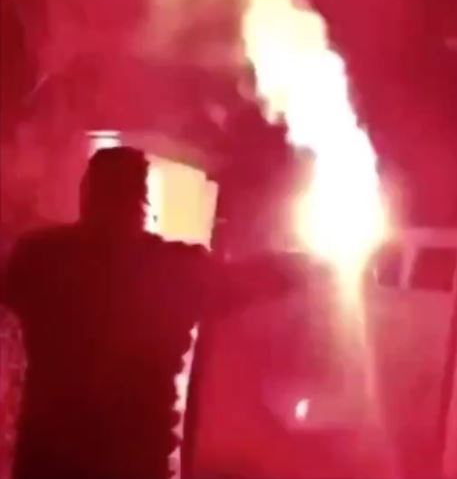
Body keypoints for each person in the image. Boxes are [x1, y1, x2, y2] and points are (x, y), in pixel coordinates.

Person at [1, 146, 321, 479]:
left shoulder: (40, 257)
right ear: (143, 201)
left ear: (87, 194)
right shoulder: (172, 268)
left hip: (47, 464)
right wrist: (309, 267)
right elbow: (246, 281)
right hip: (133, 467)